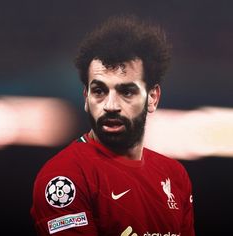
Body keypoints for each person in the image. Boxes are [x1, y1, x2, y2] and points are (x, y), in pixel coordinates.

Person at [31, 15, 195, 236]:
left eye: (126, 91)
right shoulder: (64, 178)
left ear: (153, 98)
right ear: (86, 97)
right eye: (99, 91)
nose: (110, 105)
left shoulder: (174, 175)